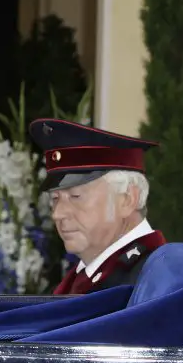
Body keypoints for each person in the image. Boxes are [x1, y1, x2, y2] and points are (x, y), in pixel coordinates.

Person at [28, 117, 167, 295]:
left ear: (127, 199)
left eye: (76, 196)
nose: (57, 214)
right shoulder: (90, 278)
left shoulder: (153, 283)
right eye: (55, 198)